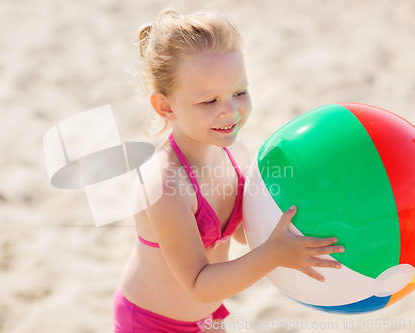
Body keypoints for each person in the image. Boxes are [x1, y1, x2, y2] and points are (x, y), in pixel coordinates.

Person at [113, 6, 344, 333]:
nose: (231, 111)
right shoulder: (163, 184)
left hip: (208, 319)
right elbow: (198, 282)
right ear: (166, 106)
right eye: (209, 101)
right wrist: (272, 255)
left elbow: (242, 230)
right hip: (152, 324)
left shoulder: (236, 154)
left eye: (240, 92)